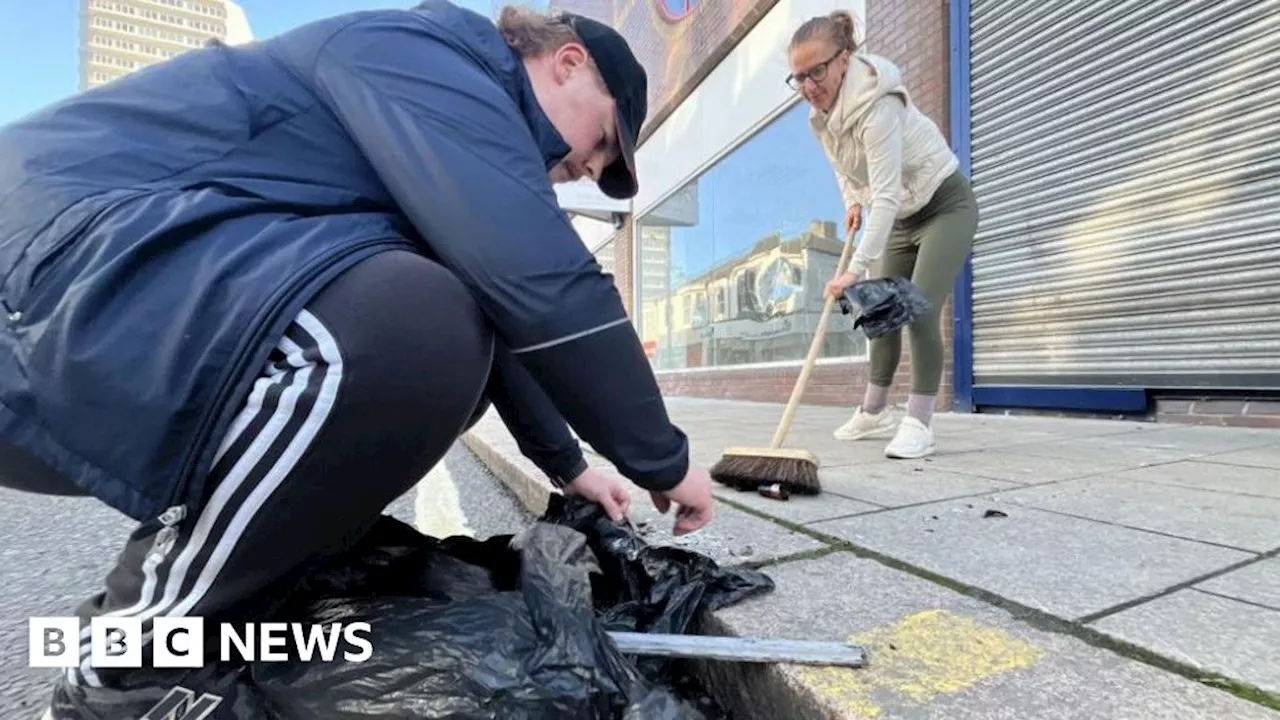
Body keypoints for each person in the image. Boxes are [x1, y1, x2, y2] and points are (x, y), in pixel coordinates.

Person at [0, 0, 715, 713]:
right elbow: (534, 276)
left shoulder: (433, 127)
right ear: (568, 62)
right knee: (411, 328)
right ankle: (128, 668)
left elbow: (499, 310)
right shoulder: (429, 56)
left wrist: (570, 467)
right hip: (47, 276)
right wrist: (664, 459)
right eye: (602, 142)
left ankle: (268, 582)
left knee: (442, 337)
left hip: (109, 289)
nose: (585, 168)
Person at [787, 10, 980, 459]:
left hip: (944, 206)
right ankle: (875, 412)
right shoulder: (820, 116)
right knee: (879, 312)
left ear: (843, 59)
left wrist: (853, 270)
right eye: (798, 77)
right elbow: (845, 169)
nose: (809, 86)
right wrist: (852, 202)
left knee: (917, 307)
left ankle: (919, 421)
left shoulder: (878, 104)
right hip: (900, 218)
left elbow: (887, 196)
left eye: (817, 71)